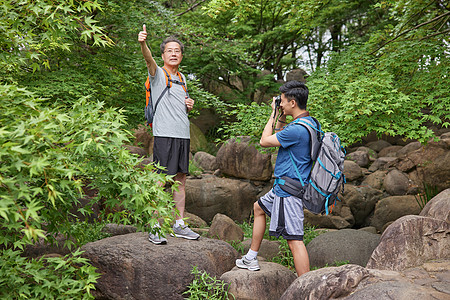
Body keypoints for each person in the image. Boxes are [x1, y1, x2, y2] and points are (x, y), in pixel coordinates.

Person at [236, 81, 312, 276]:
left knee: (294, 240)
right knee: (258, 208)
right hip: (284, 186)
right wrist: (280, 116)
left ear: (293, 103)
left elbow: (264, 141)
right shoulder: (307, 123)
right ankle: (251, 257)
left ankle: (307, 287)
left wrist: (272, 114)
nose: (281, 104)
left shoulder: (297, 129)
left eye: (283, 101)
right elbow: (280, 135)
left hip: (289, 190)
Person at [138, 25, 199, 244]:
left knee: (180, 179)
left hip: (183, 134)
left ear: (181, 55)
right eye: (169, 51)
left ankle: (179, 224)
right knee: (160, 180)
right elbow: (148, 60)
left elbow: (179, 104)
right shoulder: (158, 74)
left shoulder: (182, 78)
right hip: (164, 134)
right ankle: (154, 225)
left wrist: (188, 105)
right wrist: (143, 43)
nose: (174, 54)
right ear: (163, 55)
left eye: (177, 51)